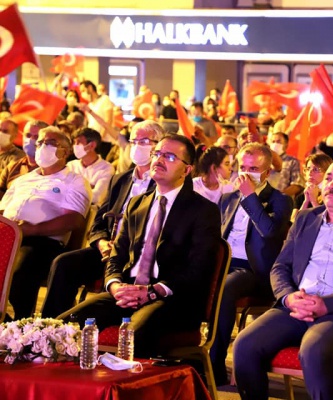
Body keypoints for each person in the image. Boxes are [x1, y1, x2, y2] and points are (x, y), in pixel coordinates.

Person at [233, 159, 333, 400]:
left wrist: (326, 305)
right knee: (245, 345)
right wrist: (288, 298)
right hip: (296, 306)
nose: (331, 184)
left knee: (314, 350)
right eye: (328, 178)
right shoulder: (306, 218)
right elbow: (280, 267)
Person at [57, 135, 221, 355]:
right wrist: (115, 286)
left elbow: (199, 269)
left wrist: (151, 292)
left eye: (170, 157)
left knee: (132, 338)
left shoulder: (203, 210)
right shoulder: (137, 204)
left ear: (187, 170)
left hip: (170, 298)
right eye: (157, 154)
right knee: (61, 327)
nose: (159, 160)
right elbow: (117, 255)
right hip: (127, 293)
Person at [41, 121, 162, 318]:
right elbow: (99, 222)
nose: (136, 146)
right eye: (133, 141)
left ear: (158, 146)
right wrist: (101, 243)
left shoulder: (161, 183)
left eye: (144, 141)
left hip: (138, 255)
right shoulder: (121, 180)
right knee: (64, 264)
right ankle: (51, 327)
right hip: (107, 251)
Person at [211, 143, 293, 385]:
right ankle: (190, 355)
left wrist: (250, 196)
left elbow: (269, 232)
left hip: (255, 270)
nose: (246, 174)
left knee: (225, 287)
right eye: (243, 167)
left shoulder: (280, 200)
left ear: (267, 172)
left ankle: (215, 365)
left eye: (254, 169)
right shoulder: (227, 198)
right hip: (224, 263)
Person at [0, 127, 91, 319]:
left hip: (42, 242)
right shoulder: (23, 180)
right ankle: (5, 321)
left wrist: (32, 229)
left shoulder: (74, 181)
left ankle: (21, 321)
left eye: (50, 143)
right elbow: (2, 210)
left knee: (20, 273)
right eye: (40, 143)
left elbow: (74, 220)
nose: (42, 147)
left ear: (65, 152)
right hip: (7, 237)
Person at [0, 120, 48, 199]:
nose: (31, 139)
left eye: (36, 137)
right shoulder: (12, 168)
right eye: (28, 135)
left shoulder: (51, 170)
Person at [67, 128, 115, 205]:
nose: (75, 146)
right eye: (74, 142)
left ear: (92, 145)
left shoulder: (107, 168)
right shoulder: (71, 165)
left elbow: (97, 197)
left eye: (78, 142)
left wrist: (72, 188)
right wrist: (88, 187)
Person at [291, 153, 333, 222]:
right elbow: (294, 222)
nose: (310, 173)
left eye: (316, 169)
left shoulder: (331, 195)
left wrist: (313, 201)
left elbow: (326, 222)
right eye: (308, 169)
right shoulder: (301, 196)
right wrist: (306, 201)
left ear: (327, 173)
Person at [80, 80, 115, 158]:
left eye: (83, 90)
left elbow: (108, 120)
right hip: (92, 141)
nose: (82, 94)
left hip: (104, 140)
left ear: (90, 88)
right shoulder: (89, 105)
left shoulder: (104, 99)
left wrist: (101, 138)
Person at [267, 132, 304, 197]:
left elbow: (297, 185)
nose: (275, 144)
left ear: (286, 145)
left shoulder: (293, 161)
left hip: (282, 200)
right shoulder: (264, 160)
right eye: (273, 141)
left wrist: (279, 197)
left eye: (278, 142)